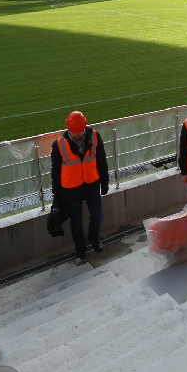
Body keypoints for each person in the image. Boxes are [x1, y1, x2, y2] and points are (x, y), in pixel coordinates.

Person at [51, 111, 109, 263]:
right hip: (71, 190)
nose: (77, 134)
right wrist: (57, 195)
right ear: (68, 129)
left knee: (97, 216)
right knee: (76, 223)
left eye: (79, 130)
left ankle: (94, 239)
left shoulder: (95, 136)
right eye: (73, 131)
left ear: (84, 126)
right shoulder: (59, 144)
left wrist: (105, 182)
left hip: (92, 185)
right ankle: (81, 249)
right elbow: (55, 172)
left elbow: (101, 160)